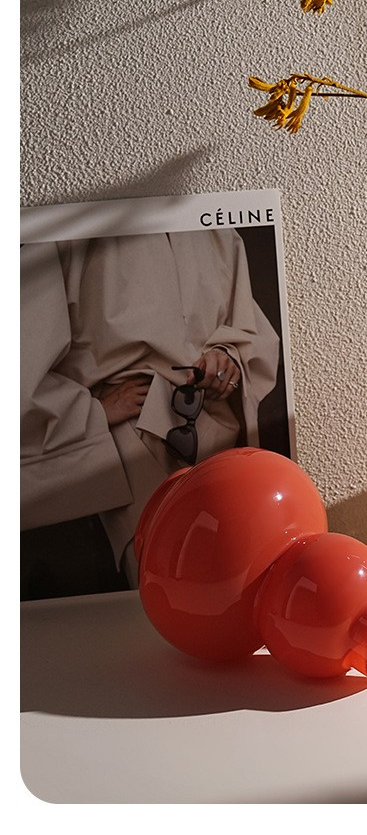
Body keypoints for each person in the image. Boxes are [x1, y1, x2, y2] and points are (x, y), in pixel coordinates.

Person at [20, 228, 280, 586]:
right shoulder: (72, 232)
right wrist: (93, 411)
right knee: (163, 579)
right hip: (132, 435)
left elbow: (247, 328)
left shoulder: (215, 230)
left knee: (236, 574)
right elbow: (20, 356)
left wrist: (228, 357)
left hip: (216, 427)